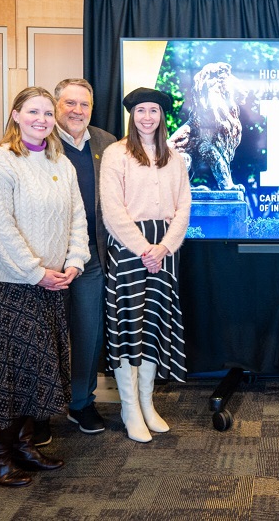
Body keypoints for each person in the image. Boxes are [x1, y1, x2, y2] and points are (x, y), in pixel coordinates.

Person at [0, 86, 90, 487]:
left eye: (46, 113)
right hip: (11, 287)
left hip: (53, 284)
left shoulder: (61, 162)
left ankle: (23, 445)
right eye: (32, 112)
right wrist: (35, 271)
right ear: (16, 115)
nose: (41, 119)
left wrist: (74, 262)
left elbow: (77, 218)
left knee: (40, 370)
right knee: (17, 372)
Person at [101, 87, 191, 442]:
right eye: (141, 111)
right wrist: (144, 249)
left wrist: (164, 247)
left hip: (165, 248)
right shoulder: (116, 154)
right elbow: (112, 210)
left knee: (153, 324)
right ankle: (128, 407)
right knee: (129, 325)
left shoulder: (174, 156)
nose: (147, 117)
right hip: (129, 247)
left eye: (153, 110)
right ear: (132, 115)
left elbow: (183, 207)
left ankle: (146, 402)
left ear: (162, 116)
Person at [54, 78, 117, 437]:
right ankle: (38, 410)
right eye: (70, 103)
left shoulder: (106, 142)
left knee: (88, 331)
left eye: (84, 105)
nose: (77, 111)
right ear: (56, 105)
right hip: (46, 257)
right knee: (45, 335)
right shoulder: (38, 140)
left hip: (92, 255)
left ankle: (81, 403)